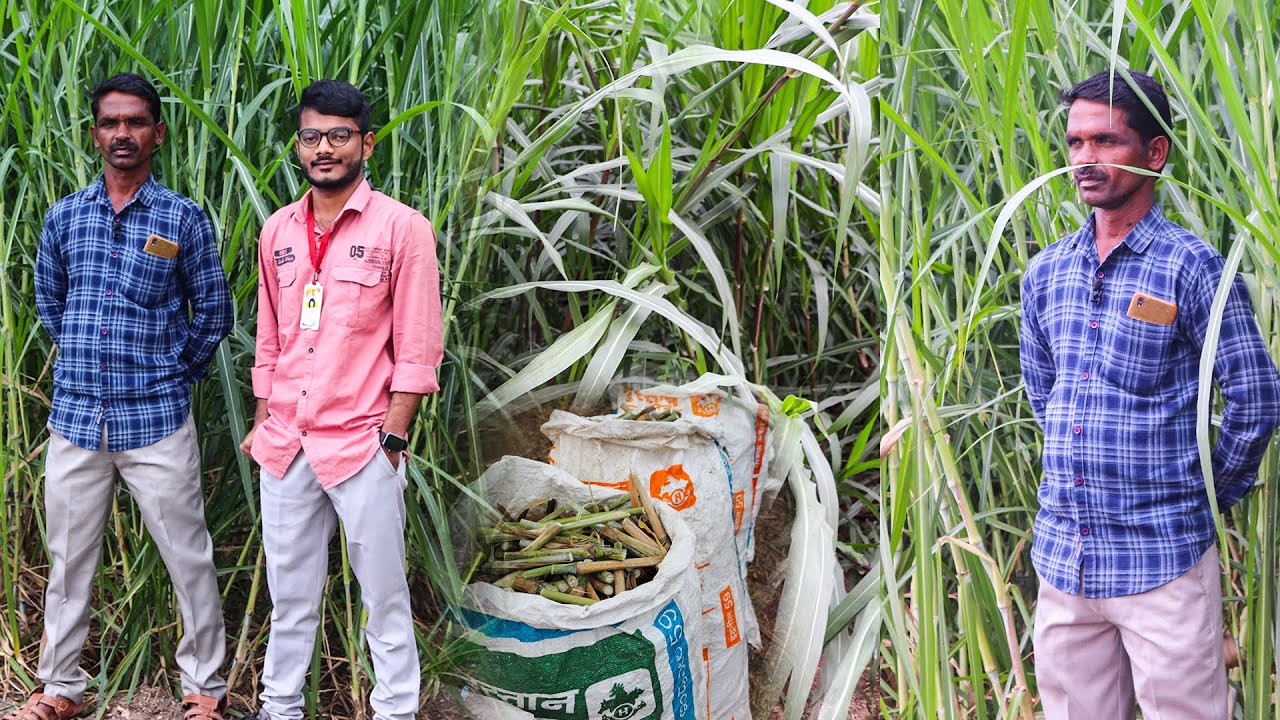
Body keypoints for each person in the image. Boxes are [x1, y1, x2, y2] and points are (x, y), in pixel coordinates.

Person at [1021, 69, 1280, 718]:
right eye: (1076, 143)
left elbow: (1255, 395)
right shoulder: (1046, 272)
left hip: (1162, 562)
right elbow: (1044, 396)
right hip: (1065, 562)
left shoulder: (1193, 268)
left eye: (1106, 141)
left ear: (1154, 153)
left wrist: (1206, 492)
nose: (1086, 159)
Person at [12, 73, 233, 720]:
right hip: (77, 421)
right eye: (110, 123)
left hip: (156, 422)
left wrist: (170, 374)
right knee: (68, 562)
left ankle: (204, 692)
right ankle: (59, 689)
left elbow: (213, 313)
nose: (123, 134)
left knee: (188, 558)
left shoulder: (182, 219)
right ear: (94, 134)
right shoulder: (65, 217)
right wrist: (85, 362)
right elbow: (51, 303)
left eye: (136, 122)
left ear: (157, 134)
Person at [240, 79, 443, 720]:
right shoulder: (279, 230)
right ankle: (280, 708)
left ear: (366, 143)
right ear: (298, 146)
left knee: (383, 596)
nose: (323, 148)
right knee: (290, 595)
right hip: (287, 444)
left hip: (362, 445)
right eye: (311, 137)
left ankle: (396, 712)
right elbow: (269, 341)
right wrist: (261, 422)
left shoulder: (403, 230)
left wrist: (394, 438)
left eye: (338, 135)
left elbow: (417, 346)